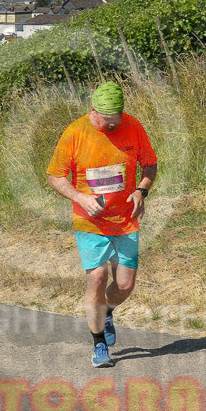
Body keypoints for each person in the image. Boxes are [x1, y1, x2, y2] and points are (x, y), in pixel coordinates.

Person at [46, 81, 158, 368]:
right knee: (97, 278)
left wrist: (141, 191)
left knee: (125, 284)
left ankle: (106, 310)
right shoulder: (75, 132)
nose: (111, 126)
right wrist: (79, 197)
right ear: (92, 110)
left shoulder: (133, 126)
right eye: (105, 121)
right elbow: (55, 176)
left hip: (125, 220)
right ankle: (99, 345)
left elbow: (150, 165)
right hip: (90, 221)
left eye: (115, 121)